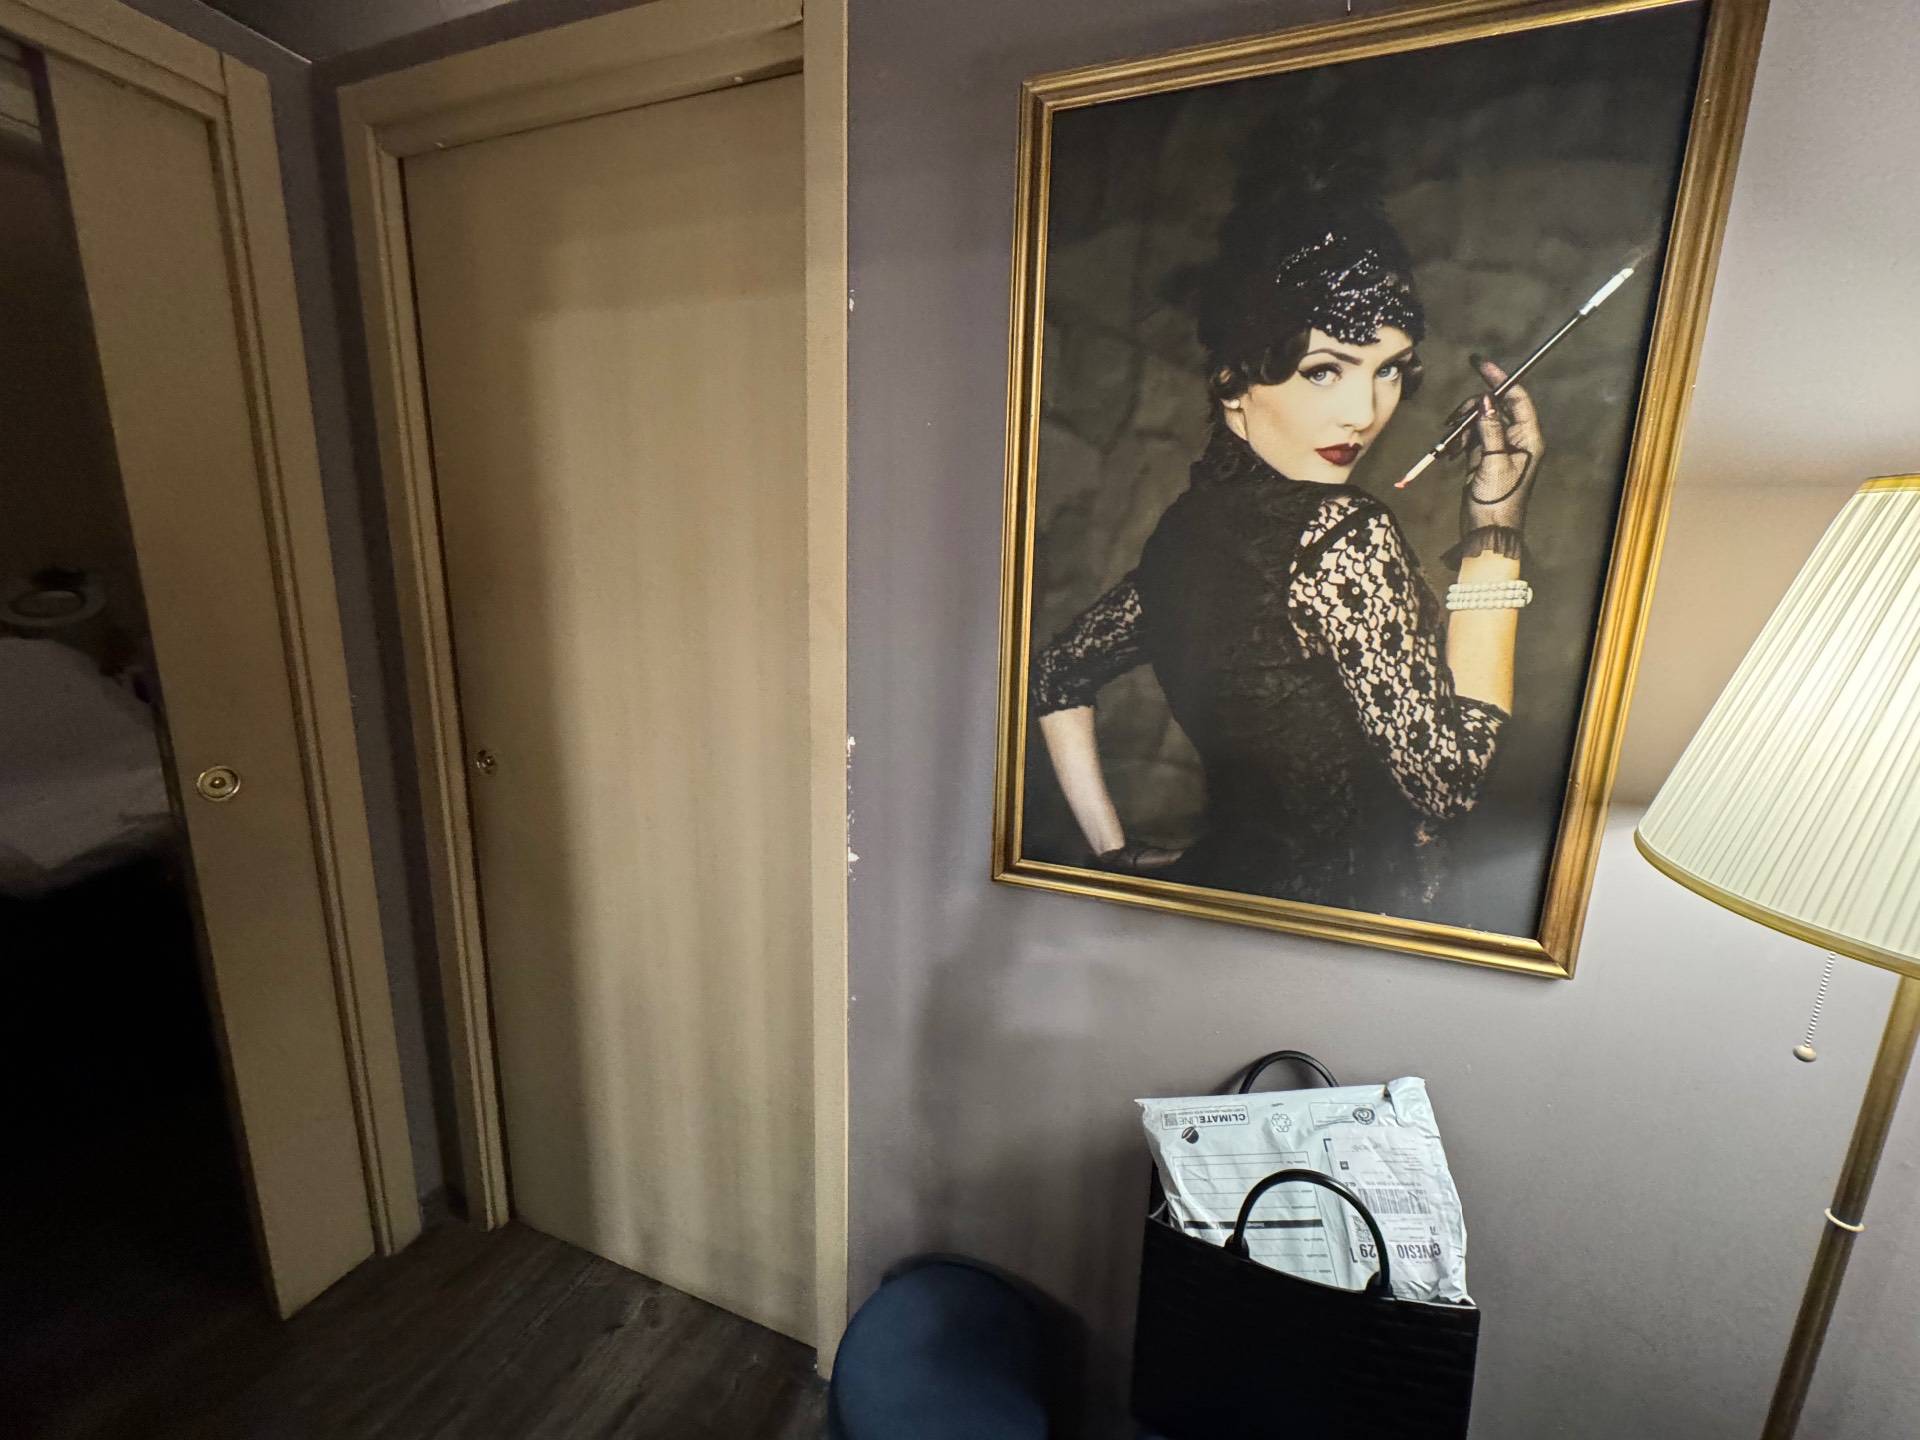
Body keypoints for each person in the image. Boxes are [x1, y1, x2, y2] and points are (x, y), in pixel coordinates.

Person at [1030, 176, 1544, 917]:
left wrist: (1115, 857)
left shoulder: (1183, 534)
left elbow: (1056, 675)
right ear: (1233, 381)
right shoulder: (1340, 534)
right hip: (1346, 933)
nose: (1364, 412)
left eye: (1388, 368)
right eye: (1324, 370)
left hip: (1225, 911)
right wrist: (1497, 532)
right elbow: (1451, 783)